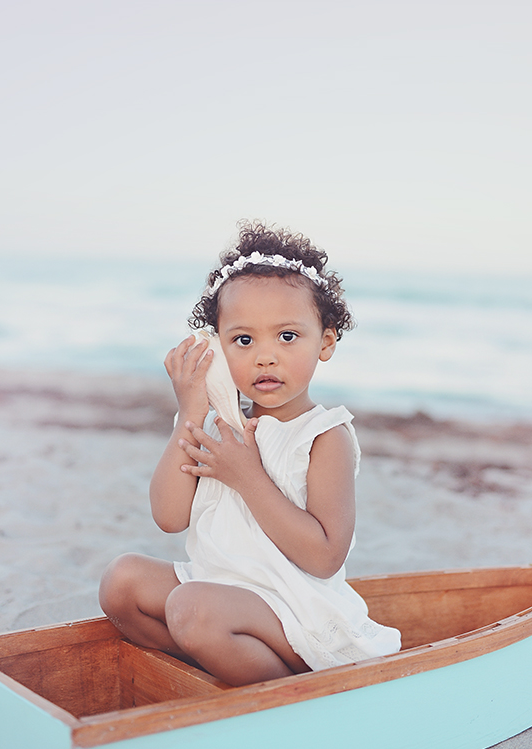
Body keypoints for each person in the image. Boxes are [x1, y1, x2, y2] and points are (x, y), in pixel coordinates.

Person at [99, 221, 401, 686]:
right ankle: (219, 659)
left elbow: (324, 557)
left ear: (325, 341)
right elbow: (168, 516)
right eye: (243, 340)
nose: (265, 356)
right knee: (122, 582)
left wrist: (246, 476)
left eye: (287, 336)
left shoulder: (324, 436)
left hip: (294, 609)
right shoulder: (215, 425)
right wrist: (190, 412)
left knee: (190, 607)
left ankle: (282, 690)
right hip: (215, 592)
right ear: (217, 346)